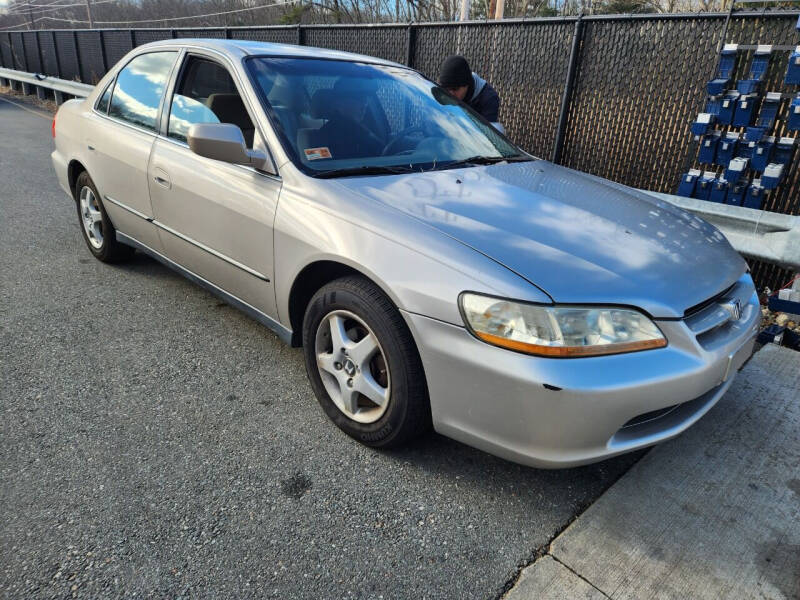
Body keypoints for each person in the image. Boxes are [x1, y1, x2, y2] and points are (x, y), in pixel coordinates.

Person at [438, 55, 504, 133]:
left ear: (467, 85)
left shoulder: (489, 99)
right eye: (446, 89)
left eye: (455, 88)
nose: (451, 94)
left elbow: (488, 135)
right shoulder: (441, 92)